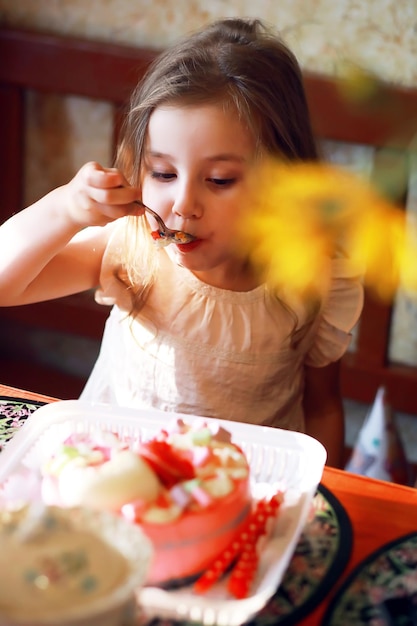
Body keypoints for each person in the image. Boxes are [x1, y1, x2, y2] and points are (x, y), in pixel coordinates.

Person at [0, 18, 363, 468]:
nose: (184, 204)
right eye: (164, 173)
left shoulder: (315, 275)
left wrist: (318, 491)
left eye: (219, 179)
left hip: (241, 497)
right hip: (115, 481)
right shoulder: (131, 246)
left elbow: (324, 407)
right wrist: (63, 210)